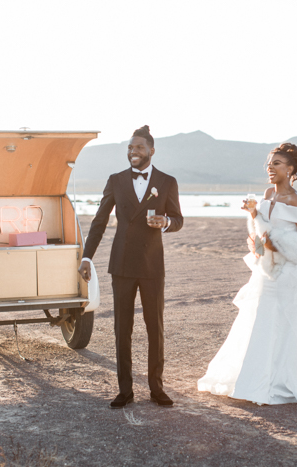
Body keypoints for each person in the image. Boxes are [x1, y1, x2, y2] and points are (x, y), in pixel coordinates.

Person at [197, 143, 297, 414]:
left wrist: (278, 246)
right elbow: (263, 230)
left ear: (291, 169)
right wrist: (254, 221)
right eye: (269, 163)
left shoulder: (295, 200)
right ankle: (251, 379)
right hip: (266, 271)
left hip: (287, 274)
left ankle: (278, 382)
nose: (270, 168)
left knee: (282, 326)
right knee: (258, 321)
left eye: (276, 164)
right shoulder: (266, 194)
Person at [79, 125, 183, 409]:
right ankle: (125, 390)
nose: (133, 152)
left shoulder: (167, 181)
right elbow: (99, 222)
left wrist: (166, 223)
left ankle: (156, 388)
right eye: (129, 148)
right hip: (122, 265)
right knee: (122, 328)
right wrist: (87, 257)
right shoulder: (116, 180)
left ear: (151, 150)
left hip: (152, 265)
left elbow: (178, 219)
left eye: (138, 148)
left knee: (155, 328)